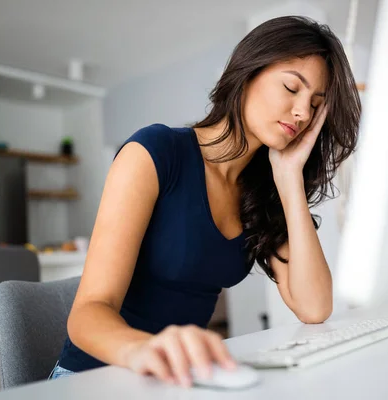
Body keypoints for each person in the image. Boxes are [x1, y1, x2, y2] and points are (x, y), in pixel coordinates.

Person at [49, 15, 361, 387]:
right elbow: (87, 315)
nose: (303, 112)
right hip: (92, 379)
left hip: (175, 380)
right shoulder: (155, 153)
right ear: (247, 74)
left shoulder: (263, 192)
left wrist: (289, 178)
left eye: (315, 104)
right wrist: (146, 351)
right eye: (292, 88)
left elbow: (314, 308)